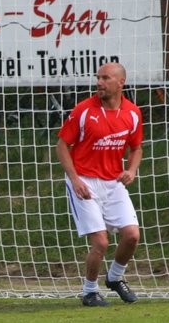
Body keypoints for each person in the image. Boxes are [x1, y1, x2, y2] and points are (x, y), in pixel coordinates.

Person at [55, 62, 143, 306]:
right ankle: (89, 291)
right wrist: (75, 180)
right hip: (84, 181)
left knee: (132, 236)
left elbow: (136, 148)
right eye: (98, 77)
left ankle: (114, 278)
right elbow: (62, 146)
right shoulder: (84, 110)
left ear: (121, 82)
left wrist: (131, 170)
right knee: (101, 242)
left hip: (113, 182)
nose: (99, 82)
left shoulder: (133, 113)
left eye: (105, 78)